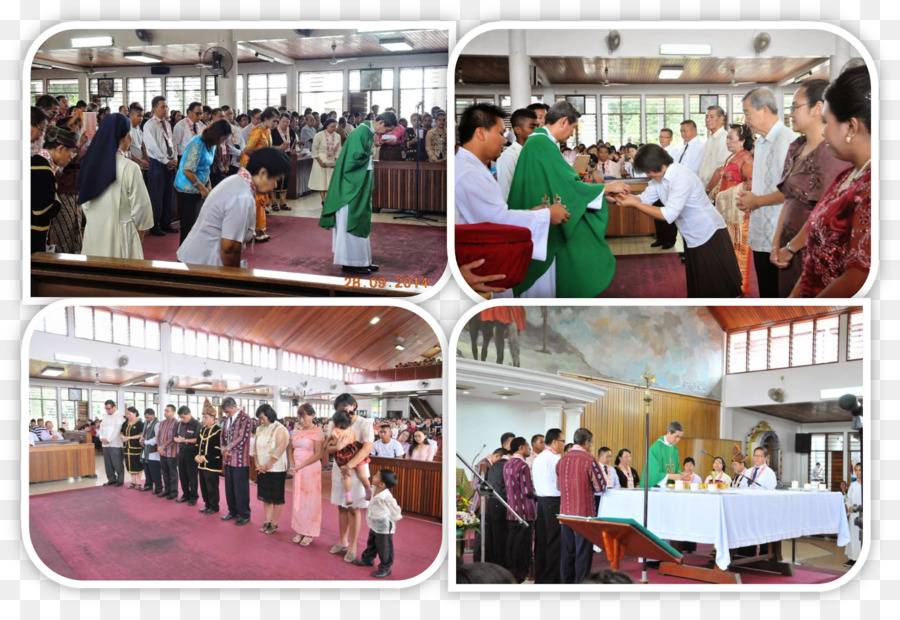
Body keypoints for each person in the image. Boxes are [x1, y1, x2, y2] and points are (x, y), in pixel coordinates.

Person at [508, 101, 628, 297]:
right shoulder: (540, 143)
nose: (572, 133)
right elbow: (568, 185)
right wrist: (606, 188)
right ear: (563, 121)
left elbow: (561, 182)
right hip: (541, 221)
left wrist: (602, 195)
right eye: (573, 127)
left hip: (544, 214)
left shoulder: (541, 142)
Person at [455, 104, 569, 295]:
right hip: (478, 261)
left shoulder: (471, 166)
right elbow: (496, 222)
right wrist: (545, 215)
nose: (504, 139)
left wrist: (531, 213)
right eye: (500, 133)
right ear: (481, 133)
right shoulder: (469, 173)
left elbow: (493, 213)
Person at [613, 144, 743, 297]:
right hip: (691, 234)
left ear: (658, 165)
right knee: (701, 286)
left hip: (708, 232)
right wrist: (618, 198)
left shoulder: (681, 176)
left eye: (648, 171)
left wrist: (635, 203)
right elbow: (644, 199)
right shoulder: (659, 178)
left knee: (718, 287)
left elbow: (668, 214)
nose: (648, 175)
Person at [764, 81, 851, 296]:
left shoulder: (833, 154)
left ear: (817, 108)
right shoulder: (797, 147)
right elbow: (788, 198)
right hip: (787, 245)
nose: (790, 113)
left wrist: (791, 248)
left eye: (795, 107)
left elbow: (823, 214)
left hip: (811, 247)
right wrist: (776, 244)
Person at [792, 65, 872, 298]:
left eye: (827, 122)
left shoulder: (871, 191)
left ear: (851, 127)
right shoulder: (847, 175)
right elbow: (815, 257)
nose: (824, 132)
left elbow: (858, 279)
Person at [177, 147, 290, 267]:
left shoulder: (236, 181)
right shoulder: (242, 196)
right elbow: (229, 249)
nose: (275, 185)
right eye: (276, 179)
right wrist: (235, 281)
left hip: (196, 260)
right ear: (263, 173)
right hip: (199, 266)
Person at [319, 111, 399, 275]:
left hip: (358, 187)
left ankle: (359, 261)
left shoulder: (368, 132)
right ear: (381, 123)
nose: (386, 133)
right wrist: (369, 152)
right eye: (387, 129)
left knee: (359, 222)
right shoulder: (361, 132)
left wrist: (370, 150)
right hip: (351, 189)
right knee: (352, 223)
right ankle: (353, 262)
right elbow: (352, 160)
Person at [736, 87, 798, 297]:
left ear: (763, 110)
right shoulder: (761, 141)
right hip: (762, 227)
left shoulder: (787, 140)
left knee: (779, 293)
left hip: (779, 234)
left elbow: (792, 190)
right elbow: (766, 183)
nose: (745, 119)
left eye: (747, 112)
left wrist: (757, 201)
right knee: (766, 289)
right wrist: (750, 196)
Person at [77, 113, 154, 258]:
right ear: (124, 137)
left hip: (94, 231)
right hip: (122, 233)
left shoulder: (89, 165)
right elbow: (141, 208)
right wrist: (140, 234)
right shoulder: (129, 167)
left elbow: (85, 203)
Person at [708, 123, 755, 294]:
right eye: (727, 138)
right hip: (726, 211)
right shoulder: (731, 158)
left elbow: (751, 183)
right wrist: (716, 190)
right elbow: (725, 180)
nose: (727, 141)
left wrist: (729, 194)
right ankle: (729, 283)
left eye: (731, 138)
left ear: (742, 141)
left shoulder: (746, 158)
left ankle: (739, 286)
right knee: (727, 248)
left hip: (739, 211)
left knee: (739, 249)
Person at [329, 394, 374, 564]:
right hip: (339, 466)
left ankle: (354, 546)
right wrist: (334, 449)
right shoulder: (333, 421)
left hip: (356, 466)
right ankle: (342, 541)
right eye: (340, 409)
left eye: (346, 408)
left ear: (354, 405)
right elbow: (331, 445)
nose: (343, 412)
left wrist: (350, 465)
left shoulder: (364, 423)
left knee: (354, 508)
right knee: (342, 507)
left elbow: (367, 447)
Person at [556, 427, 604, 584]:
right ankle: (581, 585)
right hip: (583, 514)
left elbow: (558, 486)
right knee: (583, 553)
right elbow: (600, 486)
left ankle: (566, 584)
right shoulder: (589, 460)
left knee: (567, 552)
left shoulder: (562, 460)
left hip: (564, 513)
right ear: (587, 442)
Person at [174, 119, 233, 243]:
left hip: (201, 186)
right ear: (216, 135)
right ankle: (183, 258)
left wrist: (209, 185)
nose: (223, 142)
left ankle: (197, 256)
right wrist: (202, 188)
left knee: (201, 224)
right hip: (187, 189)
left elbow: (206, 167)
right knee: (188, 225)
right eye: (222, 138)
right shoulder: (197, 143)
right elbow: (188, 170)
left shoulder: (212, 144)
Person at [31, 124, 77, 252]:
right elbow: (42, 210)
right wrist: (57, 203)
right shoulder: (41, 168)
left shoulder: (39, 163)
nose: (70, 158)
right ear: (60, 149)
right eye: (71, 153)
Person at [351, 469, 401, 578]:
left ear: (382, 484)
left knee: (384, 547)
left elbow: (395, 509)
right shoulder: (374, 489)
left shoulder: (386, 497)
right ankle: (368, 559)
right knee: (372, 542)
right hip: (374, 523)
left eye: (377, 476)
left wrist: (395, 520)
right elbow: (369, 498)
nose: (373, 476)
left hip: (384, 525)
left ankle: (385, 567)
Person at [141, 95, 179, 236]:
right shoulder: (149, 125)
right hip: (158, 163)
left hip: (170, 162)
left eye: (166, 106)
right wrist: (165, 160)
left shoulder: (167, 124)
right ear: (154, 109)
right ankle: (155, 224)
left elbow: (172, 143)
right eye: (162, 107)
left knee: (169, 194)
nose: (165, 109)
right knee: (156, 195)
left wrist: (174, 158)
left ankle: (166, 222)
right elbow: (152, 147)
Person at [240, 106, 279, 242]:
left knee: (261, 199)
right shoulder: (257, 132)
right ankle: (253, 230)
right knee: (256, 200)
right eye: (274, 121)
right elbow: (248, 149)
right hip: (253, 168)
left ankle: (260, 228)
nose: (276, 124)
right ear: (266, 119)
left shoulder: (267, 131)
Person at [289, 403, 324, 546]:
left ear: (313, 416)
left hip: (310, 468)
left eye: (305, 417)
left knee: (311, 500)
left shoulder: (317, 432)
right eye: (299, 417)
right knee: (298, 499)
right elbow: (290, 450)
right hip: (297, 469)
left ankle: (309, 531)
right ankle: (300, 529)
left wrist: (301, 465)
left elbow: (318, 454)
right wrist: (292, 464)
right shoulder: (296, 431)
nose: (302, 420)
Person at [503, 437, 536, 583]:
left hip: (511, 510)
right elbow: (527, 490)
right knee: (523, 546)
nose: (529, 449)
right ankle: (520, 575)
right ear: (521, 447)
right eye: (528, 446)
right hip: (525, 511)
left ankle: (511, 572)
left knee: (512, 543)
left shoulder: (507, 464)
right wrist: (538, 496)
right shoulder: (523, 466)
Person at [532, 428, 563, 584]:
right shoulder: (554, 459)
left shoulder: (539, 457)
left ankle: (541, 578)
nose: (563, 444)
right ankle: (553, 579)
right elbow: (561, 484)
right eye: (562, 441)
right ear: (555, 442)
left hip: (541, 502)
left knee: (542, 541)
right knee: (554, 542)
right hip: (554, 502)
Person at [253, 404, 290, 534]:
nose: (260, 421)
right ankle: (267, 521)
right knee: (266, 497)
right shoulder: (259, 429)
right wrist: (257, 464)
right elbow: (255, 448)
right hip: (262, 468)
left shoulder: (280, 429)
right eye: (259, 418)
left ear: (269, 415)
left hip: (276, 469)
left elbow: (279, 450)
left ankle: (274, 523)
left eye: (262, 418)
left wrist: (268, 465)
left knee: (276, 497)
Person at [326, 409, 373, 504]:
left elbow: (336, 444)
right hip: (355, 451)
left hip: (344, 454)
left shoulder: (336, 430)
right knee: (362, 475)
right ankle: (369, 491)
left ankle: (348, 496)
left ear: (338, 423)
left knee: (347, 476)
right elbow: (355, 440)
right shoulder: (350, 430)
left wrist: (330, 442)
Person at [220, 396, 252, 525]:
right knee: (229, 488)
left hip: (240, 460)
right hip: (228, 459)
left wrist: (228, 448)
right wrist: (223, 448)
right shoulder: (227, 420)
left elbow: (243, 438)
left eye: (228, 411)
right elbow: (222, 436)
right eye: (225, 412)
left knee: (241, 489)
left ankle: (244, 514)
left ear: (235, 407)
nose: (227, 414)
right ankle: (232, 511)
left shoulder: (246, 418)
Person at [495, 108, 539, 201]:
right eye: (532, 127)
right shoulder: (509, 157)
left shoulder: (535, 153)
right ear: (517, 130)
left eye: (537, 126)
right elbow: (505, 193)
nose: (537, 131)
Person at [642, 421, 692, 488]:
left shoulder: (674, 449)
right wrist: (673, 476)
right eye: (676, 436)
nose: (678, 440)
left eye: (680, 437)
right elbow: (653, 474)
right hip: (655, 488)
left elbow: (677, 469)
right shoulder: (656, 448)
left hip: (669, 488)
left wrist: (682, 476)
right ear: (668, 432)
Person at [484, 446, 510, 568]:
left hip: (494, 502)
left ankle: (495, 563)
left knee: (495, 535)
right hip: (501, 503)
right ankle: (500, 564)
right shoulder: (504, 466)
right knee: (500, 536)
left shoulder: (495, 466)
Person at [195, 404, 223, 515]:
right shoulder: (203, 430)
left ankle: (214, 506)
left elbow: (218, 449)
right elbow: (198, 445)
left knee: (212, 486)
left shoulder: (218, 431)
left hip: (212, 464)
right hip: (201, 464)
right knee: (203, 486)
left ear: (213, 418)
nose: (204, 420)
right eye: (203, 417)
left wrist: (204, 458)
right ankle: (207, 504)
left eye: (206, 418)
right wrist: (197, 456)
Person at [309, 117, 342, 206]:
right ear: (326, 126)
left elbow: (338, 150)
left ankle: (329, 198)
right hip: (320, 159)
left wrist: (336, 160)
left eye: (335, 127)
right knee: (322, 181)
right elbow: (314, 149)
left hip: (331, 161)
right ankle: (323, 200)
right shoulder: (319, 135)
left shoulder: (337, 136)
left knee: (330, 181)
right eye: (332, 126)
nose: (334, 128)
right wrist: (320, 162)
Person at [173, 406, 200, 505]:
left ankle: (193, 496)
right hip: (182, 451)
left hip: (192, 452)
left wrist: (185, 440)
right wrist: (177, 439)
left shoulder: (196, 424)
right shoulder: (179, 424)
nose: (182, 419)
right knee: (183, 474)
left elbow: (197, 439)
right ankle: (185, 494)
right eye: (180, 417)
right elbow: (175, 437)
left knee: (192, 476)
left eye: (184, 417)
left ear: (189, 414)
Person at [270, 113, 297, 211]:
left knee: (285, 179)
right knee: (274, 179)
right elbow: (268, 145)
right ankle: (273, 202)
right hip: (274, 157)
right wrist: (279, 148)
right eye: (283, 121)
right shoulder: (273, 131)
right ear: (279, 121)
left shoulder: (292, 132)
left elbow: (293, 145)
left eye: (287, 122)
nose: (285, 124)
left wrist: (293, 149)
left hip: (287, 157)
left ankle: (283, 201)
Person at [699, 106, 729, 189]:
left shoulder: (724, 138)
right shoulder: (709, 140)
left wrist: (708, 190)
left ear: (721, 119)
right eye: (707, 117)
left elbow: (721, 170)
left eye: (712, 117)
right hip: (704, 188)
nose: (708, 120)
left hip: (714, 191)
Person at [99, 400, 125, 487]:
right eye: (106, 409)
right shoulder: (105, 416)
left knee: (117, 463)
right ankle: (111, 479)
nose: (107, 410)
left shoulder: (119, 416)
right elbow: (101, 428)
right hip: (105, 443)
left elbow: (117, 430)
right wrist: (101, 438)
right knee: (108, 463)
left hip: (115, 444)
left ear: (114, 407)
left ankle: (120, 480)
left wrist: (109, 439)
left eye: (109, 409)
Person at [157, 404, 179, 499]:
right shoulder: (161, 423)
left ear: (173, 412)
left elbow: (173, 438)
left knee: (172, 473)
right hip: (162, 452)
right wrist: (159, 447)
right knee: (165, 472)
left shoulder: (176, 423)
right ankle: (167, 490)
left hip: (172, 452)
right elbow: (158, 436)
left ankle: (174, 492)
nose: (165, 412)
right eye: (165, 410)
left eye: (167, 411)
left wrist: (163, 447)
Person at [119, 406, 145, 489]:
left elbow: (141, 435)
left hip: (136, 447)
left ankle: (138, 482)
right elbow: (121, 432)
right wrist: (123, 437)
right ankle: (133, 482)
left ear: (135, 413)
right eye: (127, 414)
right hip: (127, 448)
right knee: (129, 464)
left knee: (137, 464)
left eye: (129, 414)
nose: (127, 415)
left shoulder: (140, 423)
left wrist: (129, 438)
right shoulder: (125, 423)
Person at [138, 408, 162, 494]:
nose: (146, 419)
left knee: (154, 471)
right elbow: (143, 435)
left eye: (148, 417)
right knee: (147, 470)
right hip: (145, 451)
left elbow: (157, 438)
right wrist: (141, 440)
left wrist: (146, 442)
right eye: (145, 417)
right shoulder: (146, 423)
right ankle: (148, 485)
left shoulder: (157, 424)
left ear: (153, 415)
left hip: (153, 452)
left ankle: (158, 487)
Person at [845, 462, 862, 567]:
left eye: (860, 470)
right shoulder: (853, 485)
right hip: (854, 514)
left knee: (862, 537)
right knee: (853, 536)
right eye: (856, 470)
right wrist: (849, 506)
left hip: (863, 514)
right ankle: (853, 557)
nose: (858, 472)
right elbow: (848, 498)